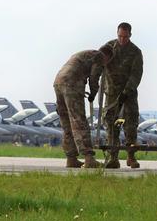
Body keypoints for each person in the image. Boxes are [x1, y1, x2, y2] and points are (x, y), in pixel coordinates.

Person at [53, 44, 113, 169]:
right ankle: (88, 158)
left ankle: (71, 158)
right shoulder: (100, 56)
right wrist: (93, 93)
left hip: (58, 82)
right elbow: (94, 77)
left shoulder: (84, 54)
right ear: (107, 57)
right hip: (72, 83)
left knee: (66, 122)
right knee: (79, 120)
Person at [96, 22, 144, 169]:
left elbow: (136, 74)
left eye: (125, 36)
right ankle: (113, 158)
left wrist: (127, 91)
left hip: (128, 94)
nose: (122, 39)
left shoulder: (135, 52)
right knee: (111, 125)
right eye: (120, 36)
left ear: (130, 35)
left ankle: (131, 157)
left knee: (130, 125)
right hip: (111, 93)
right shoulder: (109, 47)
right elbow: (99, 63)